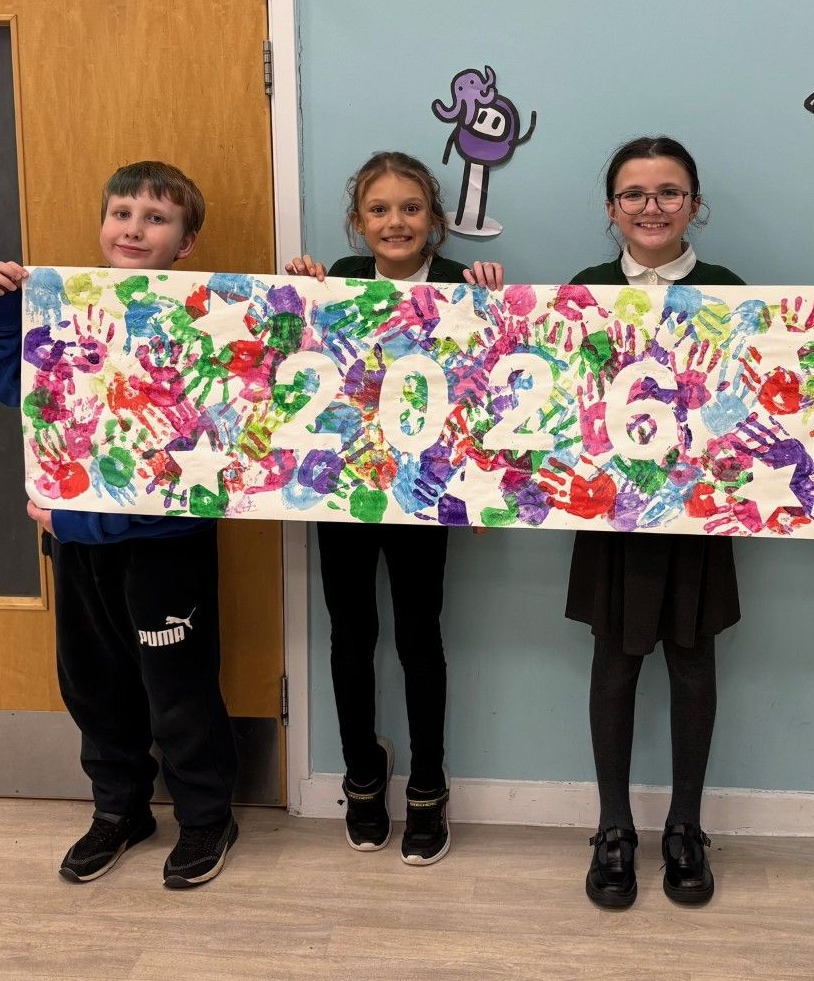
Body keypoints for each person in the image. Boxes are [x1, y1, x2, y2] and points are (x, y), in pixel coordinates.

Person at [566, 135, 814, 907]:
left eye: (668, 192)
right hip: (614, 519)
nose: (651, 207)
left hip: (702, 516)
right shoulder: (582, 288)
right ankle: (612, 827)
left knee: (692, 660)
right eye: (634, 194)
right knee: (613, 659)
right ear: (611, 209)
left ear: (694, 204)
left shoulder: (728, 289)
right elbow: (554, 398)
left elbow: (786, 382)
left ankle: (684, 827)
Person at [0, 161, 239, 888]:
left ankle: (207, 815)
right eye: (122, 213)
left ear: (185, 242)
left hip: (163, 546)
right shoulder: (66, 311)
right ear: (102, 224)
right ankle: (119, 808)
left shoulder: (202, 314)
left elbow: (239, 424)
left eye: (156, 218)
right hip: (77, 541)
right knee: (93, 683)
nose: (134, 228)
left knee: (178, 687)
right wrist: (1, 311)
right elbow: (6, 381)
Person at [285, 150, 501, 865]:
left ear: (435, 222)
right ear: (357, 222)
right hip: (341, 490)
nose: (395, 221)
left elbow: (492, 370)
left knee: (418, 634)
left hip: (422, 490)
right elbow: (284, 357)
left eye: (410, 208)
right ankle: (362, 775)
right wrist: (296, 297)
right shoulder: (339, 283)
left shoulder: (454, 286)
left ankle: (429, 787)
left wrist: (492, 300)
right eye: (379, 210)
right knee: (349, 632)